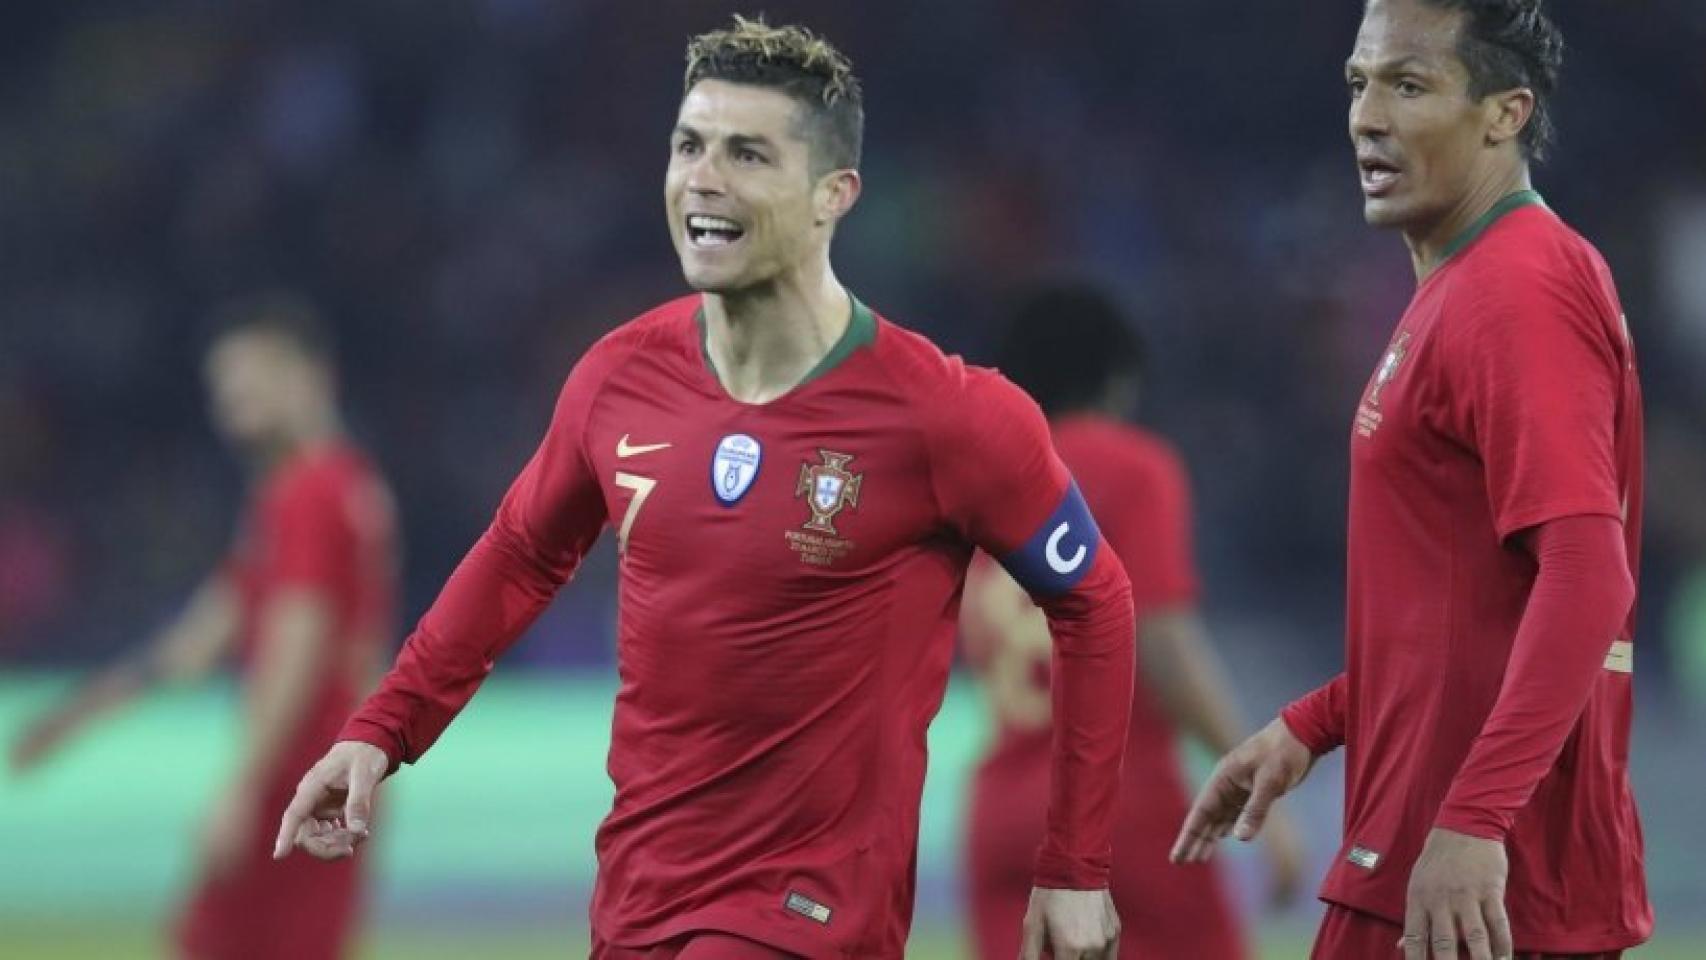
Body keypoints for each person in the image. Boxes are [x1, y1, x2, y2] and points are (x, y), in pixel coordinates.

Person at [273, 17, 1135, 960]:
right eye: (690, 146)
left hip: (808, 915)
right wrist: (379, 733)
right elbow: (520, 556)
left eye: (748, 154)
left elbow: (1096, 601)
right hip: (640, 896)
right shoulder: (617, 377)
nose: (704, 179)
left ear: (832, 196)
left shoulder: (951, 416)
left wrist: (1076, 867)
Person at [1171, 1, 1651, 958]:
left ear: (1503, 114)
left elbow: (1588, 576)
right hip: (1427, 863)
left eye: (1408, 83)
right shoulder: (1469, 285)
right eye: (1359, 82)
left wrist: (1474, 821)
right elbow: (1469, 609)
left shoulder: (1520, 287)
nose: (1366, 116)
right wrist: (1313, 725)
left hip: (1475, 891)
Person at [9, 295, 398, 960]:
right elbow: (196, 644)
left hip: (300, 775)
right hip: (335, 776)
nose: (232, 404)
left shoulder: (309, 494)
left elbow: (295, 649)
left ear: (307, 376)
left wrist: (245, 788)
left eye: (250, 382)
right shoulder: (330, 491)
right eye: (224, 388)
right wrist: (74, 717)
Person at [960, 284, 1304, 960]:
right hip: (1122, 810)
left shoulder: (979, 480)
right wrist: (1248, 775)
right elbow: (1162, 642)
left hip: (999, 814)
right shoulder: (1131, 468)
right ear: (1116, 380)